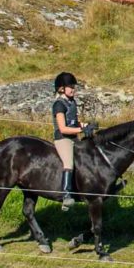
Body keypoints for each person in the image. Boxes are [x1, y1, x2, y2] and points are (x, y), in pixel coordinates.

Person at [53, 72, 84, 208]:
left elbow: (75, 123)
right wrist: (81, 130)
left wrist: (87, 126)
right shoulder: (58, 105)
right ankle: (66, 195)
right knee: (68, 163)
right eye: (70, 87)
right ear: (61, 89)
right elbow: (63, 128)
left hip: (74, 137)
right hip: (63, 139)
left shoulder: (72, 102)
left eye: (73, 86)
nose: (73, 89)